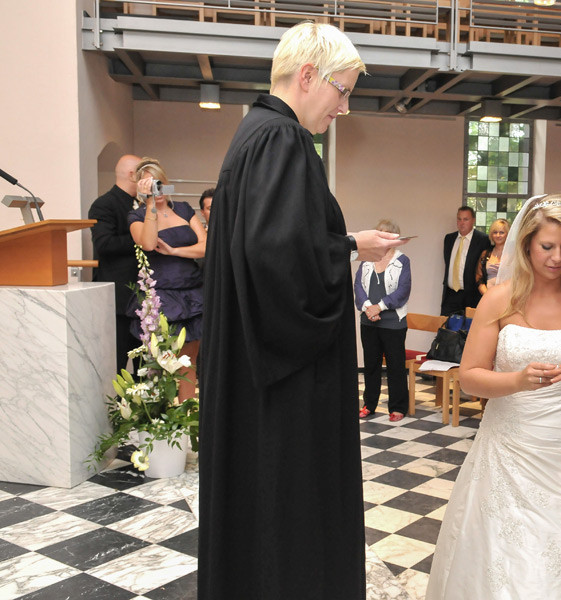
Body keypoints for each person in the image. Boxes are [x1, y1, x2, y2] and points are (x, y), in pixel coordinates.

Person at [198, 22, 404, 600]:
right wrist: (344, 249)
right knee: (289, 509)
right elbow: (279, 263)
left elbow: (275, 243)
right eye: (342, 90)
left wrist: (344, 240)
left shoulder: (255, 135)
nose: (344, 106)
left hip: (254, 366)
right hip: (285, 384)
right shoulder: (282, 140)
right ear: (308, 75)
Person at [427, 194, 561, 600]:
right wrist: (516, 381)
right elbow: (469, 377)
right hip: (511, 445)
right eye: (547, 247)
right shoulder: (500, 299)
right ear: (527, 244)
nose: (557, 258)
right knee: (507, 551)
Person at [129, 157, 206, 403]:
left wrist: (175, 251)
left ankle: (186, 415)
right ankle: (162, 420)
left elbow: (206, 245)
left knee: (189, 360)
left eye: (159, 184)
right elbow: (149, 243)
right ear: (141, 188)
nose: (157, 190)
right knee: (160, 362)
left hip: (192, 292)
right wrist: (150, 204)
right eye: (150, 185)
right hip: (161, 295)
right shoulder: (136, 216)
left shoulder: (183, 208)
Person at [354, 218, 411, 422]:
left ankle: (397, 407)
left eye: (384, 234)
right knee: (371, 364)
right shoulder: (366, 259)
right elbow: (358, 287)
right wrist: (368, 307)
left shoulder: (402, 261)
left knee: (395, 366)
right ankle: (369, 404)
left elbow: (403, 291)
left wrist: (380, 306)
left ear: (393, 238)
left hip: (393, 323)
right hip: (368, 320)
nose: (380, 237)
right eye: (378, 233)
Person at [88, 154, 142, 370]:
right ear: (131, 175)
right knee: (119, 362)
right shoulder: (104, 204)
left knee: (145, 364)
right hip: (120, 298)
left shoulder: (142, 204)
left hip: (143, 297)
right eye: (142, 173)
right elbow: (105, 244)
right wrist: (143, 238)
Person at [441, 206, 491, 315]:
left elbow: (484, 269)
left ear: (473, 220)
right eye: (459, 219)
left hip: (471, 296)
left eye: (466, 219)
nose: (461, 223)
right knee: (446, 329)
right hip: (450, 294)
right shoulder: (449, 239)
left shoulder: (483, 240)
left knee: (469, 330)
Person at [476, 218, 509, 295]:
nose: (498, 235)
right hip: (488, 296)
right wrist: (487, 296)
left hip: (509, 298)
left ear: (508, 234)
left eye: (501, 232)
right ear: (491, 234)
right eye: (495, 232)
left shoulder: (515, 255)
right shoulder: (485, 254)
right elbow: (479, 277)